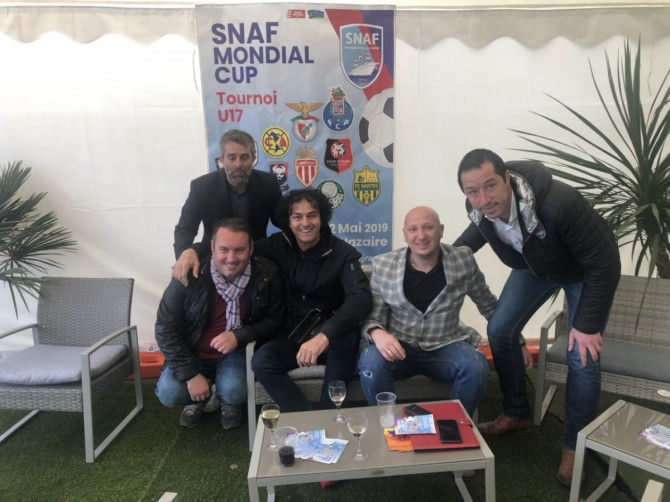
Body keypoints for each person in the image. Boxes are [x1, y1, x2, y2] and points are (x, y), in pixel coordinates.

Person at [454, 148, 621, 486]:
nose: (483, 199)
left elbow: (604, 263)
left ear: (507, 179)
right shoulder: (478, 209)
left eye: (490, 186)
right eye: (472, 192)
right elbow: (474, 236)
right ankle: (516, 414)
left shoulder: (560, 203)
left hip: (583, 272)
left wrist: (587, 326)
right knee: (500, 329)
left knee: (582, 356)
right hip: (536, 265)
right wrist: (441, 258)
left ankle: (574, 447)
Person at [358, 206, 493, 418]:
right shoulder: (383, 265)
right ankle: (387, 424)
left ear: (441, 230)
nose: (420, 236)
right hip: (399, 349)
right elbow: (372, 317)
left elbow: (488, 304)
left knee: (477, 365)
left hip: (445, 347)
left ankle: (453, 427)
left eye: (428, 227)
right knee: (371, 361)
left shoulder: (463, 260)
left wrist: (516, 341)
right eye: (413, 229)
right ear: (405, 234)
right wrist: (377, 333)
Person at [155, 218, 285, 429]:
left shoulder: (266, 272)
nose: (231, 259)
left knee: (235, 390)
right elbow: (165, 328)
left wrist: (239, 335)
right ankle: (198, 397)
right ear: (212, 247)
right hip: (192, 352)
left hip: (235, 353)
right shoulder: (188, 273)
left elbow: (276, 319)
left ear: (251, 249)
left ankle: (227, 400)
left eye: (239, 250)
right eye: (224, 250)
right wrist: (191, 375)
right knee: (169, 392)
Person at [250, 188, 372, 412]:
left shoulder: (343, 253)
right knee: (261, 361)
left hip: (334, 339)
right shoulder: (277, 245)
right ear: (288, 221)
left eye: (312, 215)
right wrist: (192, 252)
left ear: (322, 218)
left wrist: (325, 335)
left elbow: (361, 298)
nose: (305, 223)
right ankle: (304, 418)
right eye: (297, 216)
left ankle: (327, 415)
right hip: (292, 335)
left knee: (347, 337)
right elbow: (238, 249)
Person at [172, 129, 282, 286]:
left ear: (253, 159)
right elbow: (185, 229)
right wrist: (185, 253)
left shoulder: (269, 184)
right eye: (232, 157)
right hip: (214, 260)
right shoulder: (201, 187)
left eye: (244, 157)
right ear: (222, 159)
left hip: (258, 262)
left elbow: (283, 220)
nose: (238, 164)